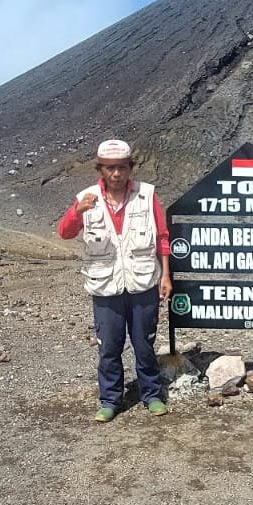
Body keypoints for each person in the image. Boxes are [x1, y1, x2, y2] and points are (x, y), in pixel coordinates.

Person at [57, 139, 172, 422]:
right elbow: (64, 232)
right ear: (101, 169)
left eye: (121, 167)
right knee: (109, 346)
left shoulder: (147, 195)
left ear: (130, 168)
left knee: (144, 343)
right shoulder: (86, 197)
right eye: (110, 168)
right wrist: (77, 212)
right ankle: (110, 399)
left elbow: (162, 237)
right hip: (105, 285)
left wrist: (166, 274)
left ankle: (152, 395)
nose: (116, 174)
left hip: (143, 282)